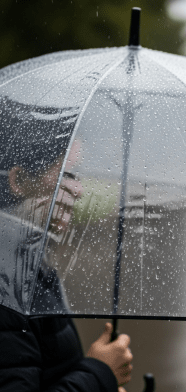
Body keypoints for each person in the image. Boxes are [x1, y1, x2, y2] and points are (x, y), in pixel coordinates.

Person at [0, 97, 133, 392]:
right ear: (19, 180)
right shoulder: (6, 285)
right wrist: (100, 373)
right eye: (66, 175)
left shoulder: (27, 262)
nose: (79, 189)